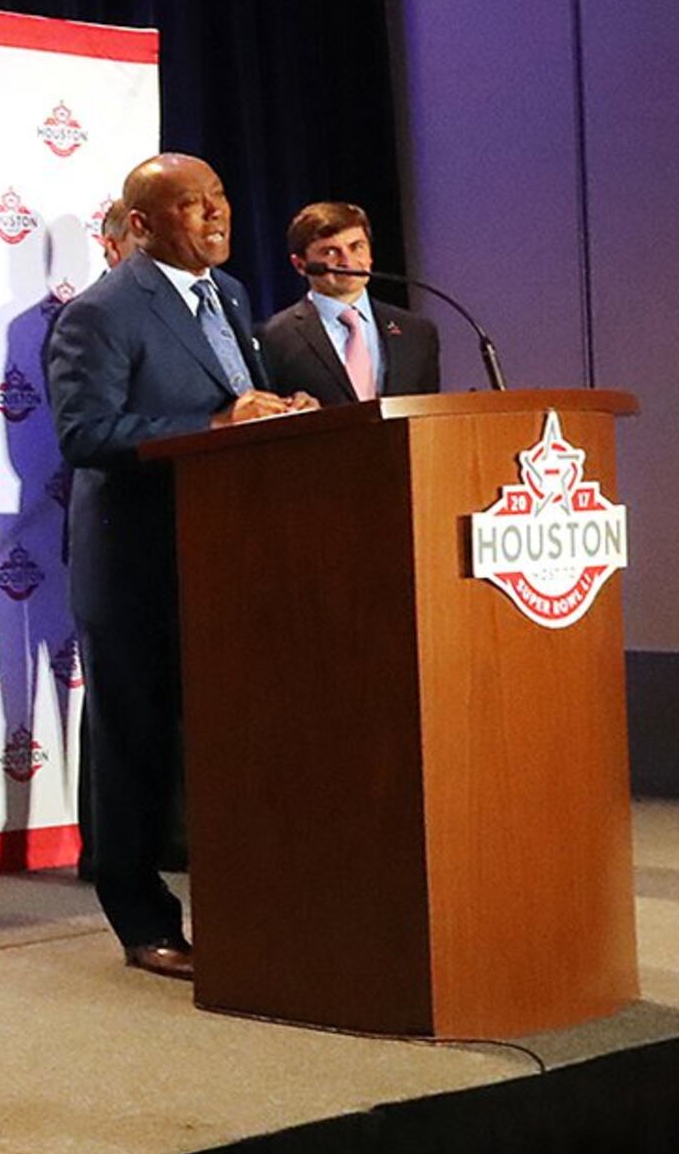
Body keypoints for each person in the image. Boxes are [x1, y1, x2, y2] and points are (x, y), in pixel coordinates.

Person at [40, 154, 310, 978]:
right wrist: (220, 420)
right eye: (190, 204)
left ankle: (245, 906)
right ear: (144, 225)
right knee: (136, 745)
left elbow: (235, 402)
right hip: (136, 564)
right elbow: (87, 434)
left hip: (226, 553)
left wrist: (274, 411)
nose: (215, 215)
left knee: (221, 738)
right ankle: (142, 922)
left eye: (220, 197)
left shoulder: (227, 296)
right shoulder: (101, 312)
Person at [255, 201, 442, 404]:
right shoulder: (273, 339)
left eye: (357, 247)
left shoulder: (417, 332)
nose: (348, 261)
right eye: (330, 252)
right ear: (300, 265)